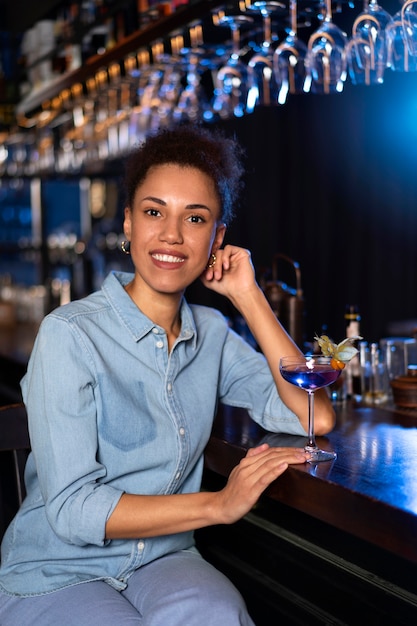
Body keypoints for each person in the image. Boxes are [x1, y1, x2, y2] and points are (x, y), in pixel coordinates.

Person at [0, 125, 335, 625]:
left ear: (217, 238)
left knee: (219, 615)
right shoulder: (68, 334)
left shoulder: (212, 331)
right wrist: (217, 505)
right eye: (154, 212)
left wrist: (248, 294)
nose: (172, 235)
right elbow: (72, 511)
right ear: (129, 223)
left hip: (162, 557)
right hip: (58, 568)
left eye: (195, 218)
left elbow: (315, 415)